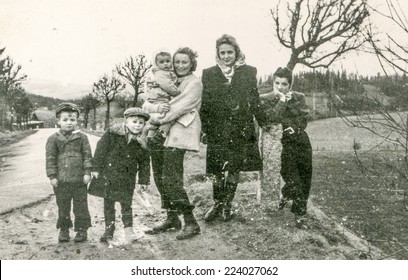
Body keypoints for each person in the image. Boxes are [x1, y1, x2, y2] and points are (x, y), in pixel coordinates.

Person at [200, 34, 267, 223]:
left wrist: (264, 122)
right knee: (216, 169)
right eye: (223, 53)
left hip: (240, 128)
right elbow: (205, 105)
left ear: (236, 52)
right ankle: (217, 204)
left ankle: (227, 204)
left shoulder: (248, 72)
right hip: (217, 129)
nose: (226, 56)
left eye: (230, 52)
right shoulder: (209, 73)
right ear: (218, 54)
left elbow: (254, 99)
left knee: (234, 168)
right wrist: (205, 129)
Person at [144, 47, 203, 240]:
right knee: (159, 176)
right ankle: (172, 217)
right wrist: (152, 108)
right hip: (161, 133)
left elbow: (176, 108)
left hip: (179, 134)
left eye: (184, 62)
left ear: (192, 63)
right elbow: (147, 102)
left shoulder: (194, 83)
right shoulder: (169, 79)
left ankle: (190, 221)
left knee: (171, 178)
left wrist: (152, 119)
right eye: (176, 62)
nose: (179, 65)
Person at [260, 67, 312, 229]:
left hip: (300, 141)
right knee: (293, 177)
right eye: (277, 83)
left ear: (290, 84)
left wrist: (295, 128)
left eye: (284, 84)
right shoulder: (265, 98)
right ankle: (299, 215)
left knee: (305, 176)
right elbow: (271, 117)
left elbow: (303, 118)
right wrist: (282, 101)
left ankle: (286, 196)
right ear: (273, 82)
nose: (280, 87)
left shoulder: (299, 97)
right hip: (280, 144)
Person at [92, 107, 151, 244]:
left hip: (127, 178)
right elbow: (100, 150)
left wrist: (143, 180)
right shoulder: (113, 134)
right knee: (108, 203)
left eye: (141, 123)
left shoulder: (142, 142)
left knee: (126, 204)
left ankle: (129, 232)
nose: (137, 125)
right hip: (109, 175)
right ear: (126, 121)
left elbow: (144, 163)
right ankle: (109, 229)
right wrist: (96, 168)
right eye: (134, 121)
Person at [45, 102, 92, 243]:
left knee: (81, 206)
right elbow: (50, 159)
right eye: (65, 120)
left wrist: (87, 172)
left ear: (77, 121)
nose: (69, 123)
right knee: (63, 207)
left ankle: (82, 230)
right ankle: (64, 229)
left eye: (72, 120)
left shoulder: (82, 138)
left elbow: (87, 155)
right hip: (61, 181)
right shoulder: (53, 139)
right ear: (58, 121)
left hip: (79, 181)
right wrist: (52, 176)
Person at [143, 51, 181, 138]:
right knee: (170, 116)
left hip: (159, 99)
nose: (165, 64)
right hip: (160, 100)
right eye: (161, 62)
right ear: (156, 64)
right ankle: (162, 133)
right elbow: (167, 86)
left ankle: (150, 137)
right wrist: (177, 92)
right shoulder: (160, 74)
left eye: (168, 61)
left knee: (157, 120)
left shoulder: (167, 73)